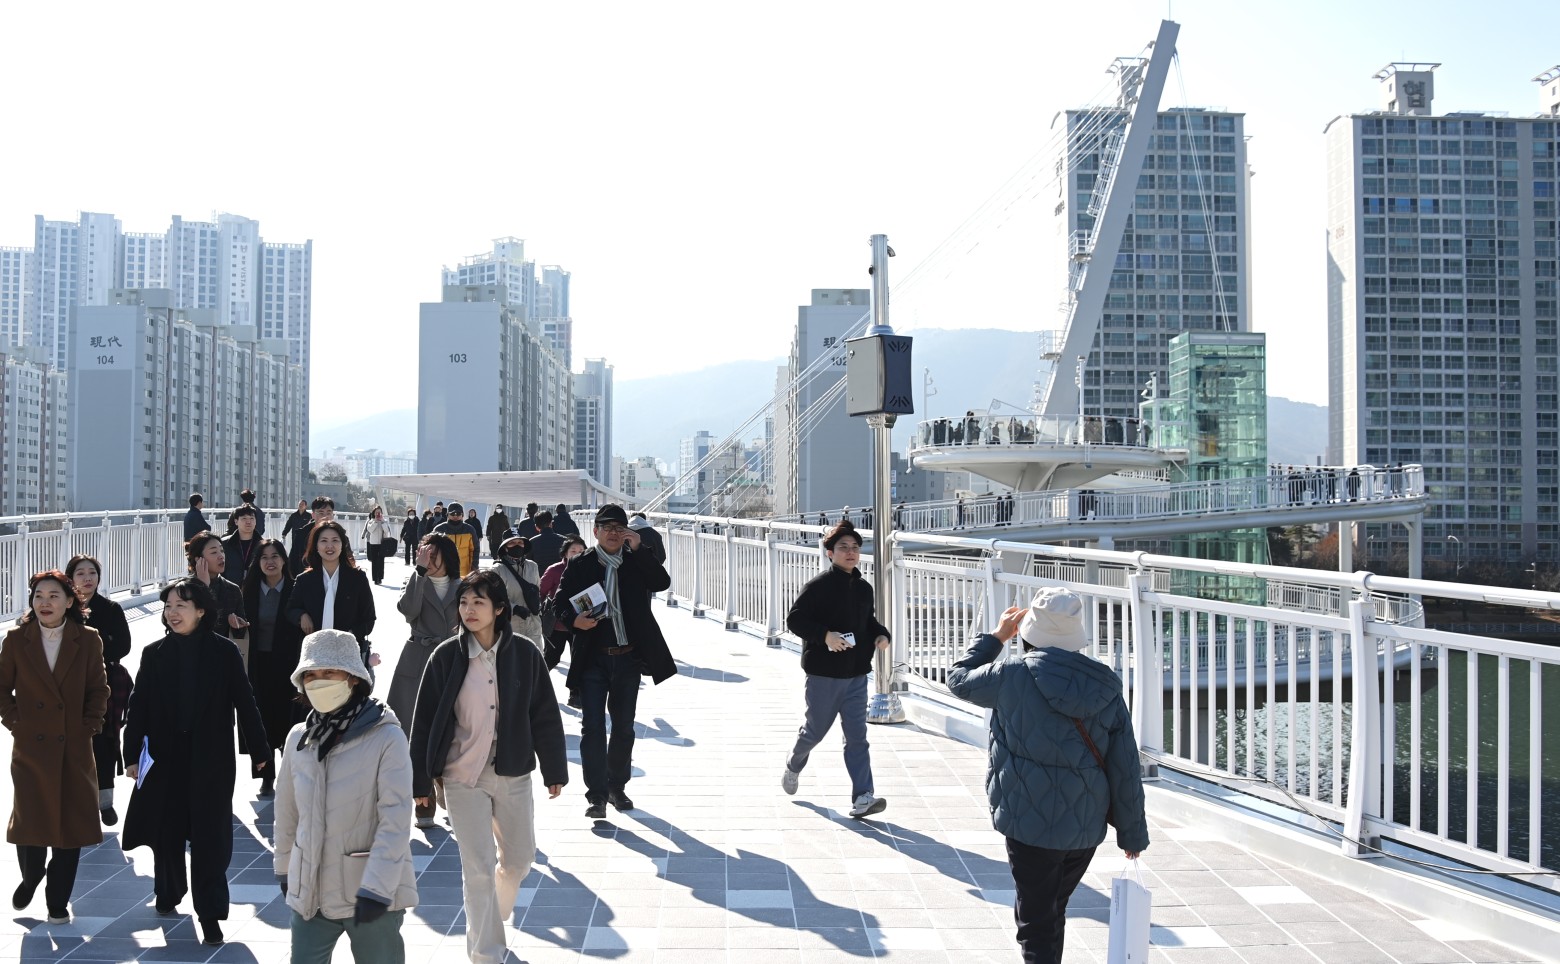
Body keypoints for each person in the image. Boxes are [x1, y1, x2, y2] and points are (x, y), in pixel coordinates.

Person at [947, 588, 1149, 964]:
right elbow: (1125, 765)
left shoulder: (1010, 675)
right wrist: (1132, 832)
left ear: (1028, 633)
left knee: (1036, 922)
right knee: (1052, 910)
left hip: (1027, 821)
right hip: (1083, 826)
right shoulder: (1104, 685)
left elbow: (958, 679)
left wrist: (996, 638)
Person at [409, 570, 567, 964]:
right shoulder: (445, 656)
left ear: (498, 609)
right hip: (461, 774)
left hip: (512, 771)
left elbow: (544, 714)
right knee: (477, 868)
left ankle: (492, 916)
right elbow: (424, 721)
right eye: (464, 602)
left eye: (478, 602)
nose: (469, 610)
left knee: (519, 861)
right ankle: (486, 954)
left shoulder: (525, 654)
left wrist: (554, 769)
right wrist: (420, 782)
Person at [121, 578, 269, 946]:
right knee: (166, 832)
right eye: (168, 606)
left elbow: (245, 701)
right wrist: (131, 754)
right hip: (165, 759)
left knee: (210, 838)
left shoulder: (224, 652)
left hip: (211, 761)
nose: (172, 613)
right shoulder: (154, 653)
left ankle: (211, 913)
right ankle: (168, 891)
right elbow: (138, 707)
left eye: (181, 606)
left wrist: (261, 751)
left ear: (200, 611)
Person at [274, 629, 418, 963]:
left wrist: (377, 886)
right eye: (311, 674)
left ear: (353, 677)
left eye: (329, 672)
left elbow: (395, 820)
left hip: (370, 893)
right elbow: (287, 811)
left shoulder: (386, 736)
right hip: (311, 891)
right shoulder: (299, 738)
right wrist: (285, 868)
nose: (318, 681)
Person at [1, 570, 109, 925]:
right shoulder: (16, 639)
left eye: (53, 596)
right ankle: (31, 877)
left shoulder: (87, 639)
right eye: (38, 596)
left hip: (73, 746)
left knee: (70, 825)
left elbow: (98, 689)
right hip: (31, 746)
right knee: (30, 819)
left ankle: (58, 901)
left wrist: (89, 726)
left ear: (70, 601)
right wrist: (16, 722)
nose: (44, 603)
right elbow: (1, 689)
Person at [557, 504, 677, 819]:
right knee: (592, 728)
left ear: (627, 533)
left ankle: (616, 786)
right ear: (595, 531)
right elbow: (559, 603)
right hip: (593, 659)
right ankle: (596, 795)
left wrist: (640, 549)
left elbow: (661, 582)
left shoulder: (636, 561)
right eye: (606, 527)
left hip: (628, 658)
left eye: (619, 528)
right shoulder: (581, 564)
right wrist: (574, 621)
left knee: (624, 727)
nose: (612, 533)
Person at [779, 520, 890, 819]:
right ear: (830, 553)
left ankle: (863, 797)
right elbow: (795, 620)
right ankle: (794, 763)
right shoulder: (818, 587)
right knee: (814, 732)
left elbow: (868, 622)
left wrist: (881, 634)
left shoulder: (863, 588)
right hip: (824, 675)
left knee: (857, 737)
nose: (850, 552)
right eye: (843, 547)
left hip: (856, 675)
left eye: (855, 547)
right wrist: (825, 636)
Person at [390, 533, 462, 829]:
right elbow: (408, 611)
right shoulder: (415, 581)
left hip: (454, 659)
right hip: (418, 657)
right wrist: (418, 571)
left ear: (447, 556)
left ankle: (446, 784)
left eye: (433, 555)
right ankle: (424, 799)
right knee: (414, 730)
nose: (428, 560)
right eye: (424, 554)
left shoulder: (464, 586)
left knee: (452, 729)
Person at [65, 555, 132, 826]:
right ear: (70, 578)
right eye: (80, 573)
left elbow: (123, 646)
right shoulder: (64, 607)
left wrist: (93, 651)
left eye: (92, 573)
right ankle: (75, 801)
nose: (87, 578)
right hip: (69, 683)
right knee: (73, 742)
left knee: (104, 741)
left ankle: (105, 803)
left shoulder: (110, 608)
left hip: (104, 682)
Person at [241, 539, 305, 798]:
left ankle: (290, 772)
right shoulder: (248, 591)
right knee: (261, 717)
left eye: (275, 556)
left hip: (288, 663)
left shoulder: (295, 589)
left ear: (283, 560)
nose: (270, 562)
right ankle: (266, 775)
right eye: (264, 557)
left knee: (288, 716)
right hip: (258, 663)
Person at [289, 521, 377, 677]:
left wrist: (348, 635)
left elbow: (369, 618)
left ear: (343, 545)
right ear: (316, 546)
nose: (329, 546)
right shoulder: (304, 580)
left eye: (335, 540)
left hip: (347, 655)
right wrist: (301, 615)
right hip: (313, 654)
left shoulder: (357, 578)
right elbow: (290, 609)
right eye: (324, 541)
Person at [188, 531, 248, 657]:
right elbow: (190, 627)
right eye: (214, 552)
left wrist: (237, 626)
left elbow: (241, 635)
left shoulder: (233, 589)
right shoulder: (185, 590)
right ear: (199, 559)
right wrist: (204, 587)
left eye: (222, 550)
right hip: (192, 655)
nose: (221, 556)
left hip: (222, 657)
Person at [538, 535, 587, 670]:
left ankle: (575, 685)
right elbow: (541, 592)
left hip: (581, 622)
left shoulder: (588, 569)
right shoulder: (554, 570)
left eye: (581, 551)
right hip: (557, 624)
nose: (577, 554)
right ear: (565, 553)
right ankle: (538, 682)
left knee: (580, 661)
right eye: (573, 551)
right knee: (551, 658)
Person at [493, 535, 544, 650]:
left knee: (536, 659)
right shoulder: (497, 569)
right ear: (505, 547)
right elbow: (493, 598)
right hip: (510, 626)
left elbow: (537, 590)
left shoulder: (533, 566)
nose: (517, 546)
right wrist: (514, 608)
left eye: (520, 542)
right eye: (512, 543)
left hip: (533, 625)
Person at [289, 496, 335, 575]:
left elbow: (348, 560)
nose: (325, 517)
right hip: (306, 578)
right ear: (313, 515)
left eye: (329, 513)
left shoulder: (339, 535)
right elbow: (293, 562)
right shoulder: (302, 535)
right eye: (321, 513)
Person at [432, 501, 478, 576]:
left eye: (458, 514)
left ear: (462, 515)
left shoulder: (470, 530)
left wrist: (474, 569)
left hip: (465, 574)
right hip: (444, 574)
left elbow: (475, 550)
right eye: (452, 514)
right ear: (447, 515)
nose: (455, 516)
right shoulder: (439, 529)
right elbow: (434, 551)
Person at [222, 503, 262, 580]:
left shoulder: (262, 544)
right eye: (244, 518)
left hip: (255, 585)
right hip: (231, 585)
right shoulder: (225, 544)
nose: (248, 522)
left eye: (252, 518)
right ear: (236, 521)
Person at [362, 505, 395, 586]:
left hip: (382, 544)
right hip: (373, 544)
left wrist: (382, 521)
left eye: (379, 512)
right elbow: (370, 530)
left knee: (381, 561)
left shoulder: (384, 521)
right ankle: (375, 578)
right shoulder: (371, 521)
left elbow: (387, 531)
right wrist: (376, 522)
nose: (378, 514)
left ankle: (380, 577)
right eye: (376, 512)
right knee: (374, 561)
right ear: (374, 513)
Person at [282, 499, 311, 571]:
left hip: (305, 539)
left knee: (304, 554)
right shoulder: (294, 515)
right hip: (295, 538)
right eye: (299, 504)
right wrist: (284, 534)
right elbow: (288, 525)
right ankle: (294, 569)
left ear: (305, 506)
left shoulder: (309, 516)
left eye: (302, 504)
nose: (300, 506)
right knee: (295, 553)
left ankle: (304, 568)